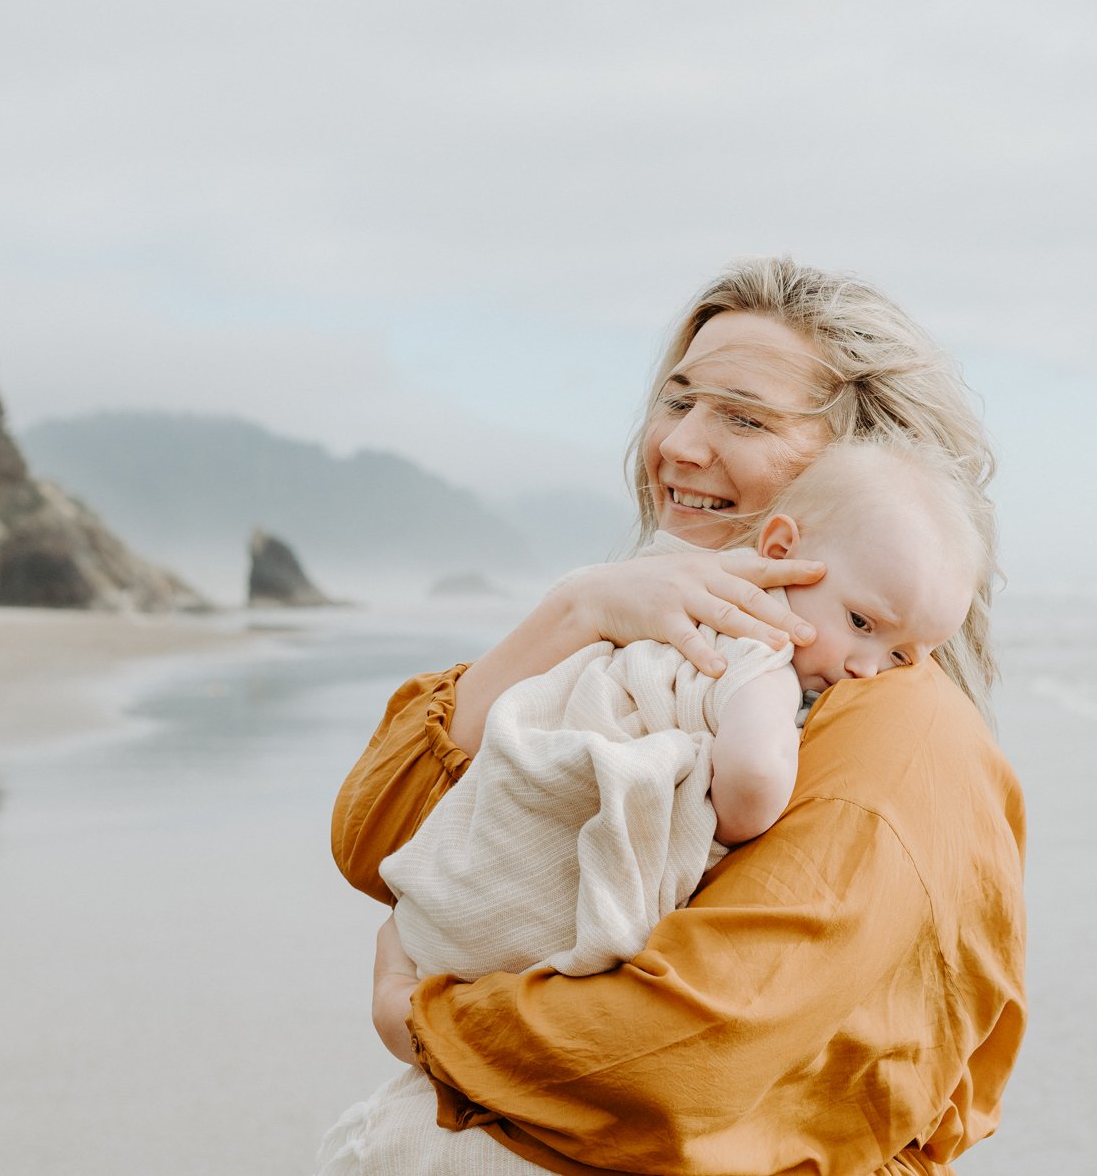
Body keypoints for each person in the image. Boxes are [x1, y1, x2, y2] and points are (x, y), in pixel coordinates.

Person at [332, 258, 1025, 1176]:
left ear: (863, 460)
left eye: (743, 416)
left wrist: (422, 1021)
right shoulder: (661, 647)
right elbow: (378, 837)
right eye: (679, 399)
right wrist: (575, 609)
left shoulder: (895, 729)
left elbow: (681, 1050)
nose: (680, 445)